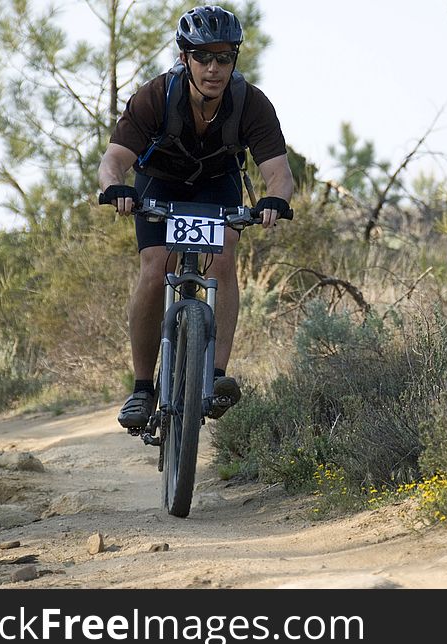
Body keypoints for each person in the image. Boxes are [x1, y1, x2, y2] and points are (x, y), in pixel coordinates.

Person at [97, 5, 294, 429]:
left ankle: (217, 377)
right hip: (160, 184)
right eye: (203, 57)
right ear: (185, 58)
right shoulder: (155, 96)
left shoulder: (250, 103)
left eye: (223, 58)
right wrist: (116, 187)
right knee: (156, 267)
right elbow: (113, 160)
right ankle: (142, 387)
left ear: (233, 61)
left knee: (223, 258)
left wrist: (275, 200)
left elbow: (279, 174)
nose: (213, 68)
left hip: (215, 184)